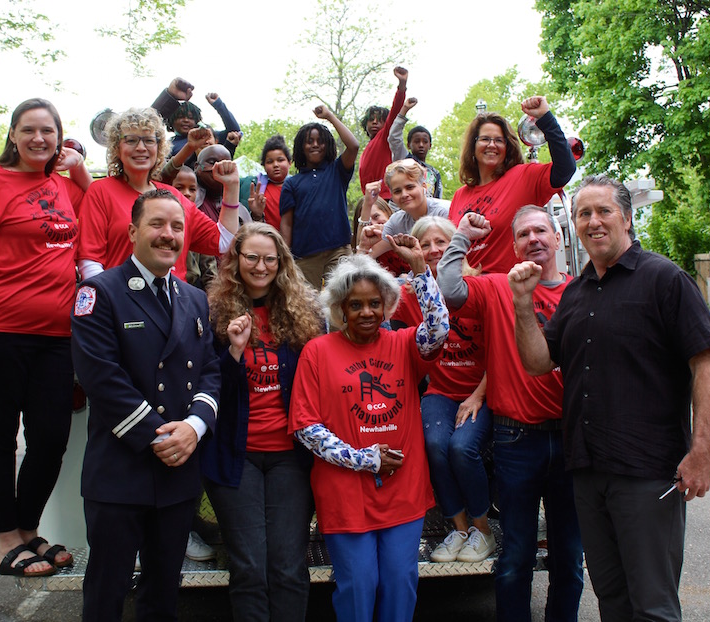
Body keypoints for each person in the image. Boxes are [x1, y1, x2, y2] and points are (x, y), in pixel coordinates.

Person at [511, 175, 710, 622]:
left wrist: (701, 453)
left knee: (652, 606)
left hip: (648, 473)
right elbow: (536, 363)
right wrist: (523, 304)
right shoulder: (576, 292)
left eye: (603, 211)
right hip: (588, 472)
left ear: (626, 217)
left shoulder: (665, 279)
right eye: (583, 214)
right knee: (612, 599)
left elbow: (707, 367)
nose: (593, 221)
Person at [0, 98, 91, 577]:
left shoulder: (62, 185)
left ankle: (29, 529)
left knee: (51, 437)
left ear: (59, 137)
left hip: (56, 335)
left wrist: (81, 172)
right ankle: (5, 539)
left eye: (48, 131)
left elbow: (97, 213)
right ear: (13, 134)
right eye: (29, 130)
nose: (39, 139)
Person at [71, 188, 221, 621]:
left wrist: (194, 426)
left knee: (163, 590)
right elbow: (101, 378)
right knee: (107, 589)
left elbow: (210, 369)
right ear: (133, 230)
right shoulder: (99, 293)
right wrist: (159, 437)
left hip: (178, 467)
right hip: (122, 469)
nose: (168, 235)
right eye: (157, 224)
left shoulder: (194, 298)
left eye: (177, 227)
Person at [437, 206, 584, 621]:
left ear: (557, 239)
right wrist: (461, 236)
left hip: (573, 439)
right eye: (523, 234)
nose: (534, 239)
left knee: (569, 557)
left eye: (542, 230)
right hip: (516, 438)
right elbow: (448, 289)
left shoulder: (581, 292)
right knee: (516, 554)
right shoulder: (499, 286)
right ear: (514, 244)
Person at [289, 245, 450, 622]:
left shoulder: (404, 343)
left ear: (387, 305)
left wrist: (421, 271)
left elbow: (439, 329)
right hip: (345, 494)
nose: (366, 312)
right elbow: (306, 428)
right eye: (356, 304)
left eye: (375, 303)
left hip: (403, 491)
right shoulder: (317, 351)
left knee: (399, 583)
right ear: (341, 309)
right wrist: (366, 459)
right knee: (358, 587)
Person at [203, 223, 324, 621]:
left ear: (281, 262)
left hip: (290, 455)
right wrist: (234, 353)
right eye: (251, 257)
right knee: (250, 568)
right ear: (236, 261)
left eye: (269, 258)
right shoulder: (213, 311)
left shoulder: (303, 312)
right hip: (235, 458)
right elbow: (206, 386)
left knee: (288, 566)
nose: (260, 266)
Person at [388, 216, 495, 563]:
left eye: (442, 243)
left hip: (482, 391)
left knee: (462, 448)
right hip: (441, 392)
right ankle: (459, 529)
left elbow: (503, 350)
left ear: (456, 248)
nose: (434, 250)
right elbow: (371, 299)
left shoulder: (479, 286)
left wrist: (479, 394)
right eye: (426, 244)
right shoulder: (409, 293)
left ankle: (483, 530)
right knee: (434, 444)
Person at [77, 108, 239, 282]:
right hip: (121, 302)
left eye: (148, 140)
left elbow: (224, 242)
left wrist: (232, 187)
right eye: (131, 140)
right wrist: (110, 302)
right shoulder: (101, 191)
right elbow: (90, 262)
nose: (140, 148)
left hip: (172, 304)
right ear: (117, 148)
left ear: (159, 147)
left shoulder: (175, 197)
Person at [449, 96, 575, 273]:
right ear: (473, 146)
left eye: (499, 140)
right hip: (466, 293)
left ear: (508, 147)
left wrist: (546, 118)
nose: (492, 145)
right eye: (485, 139)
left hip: (511, 291)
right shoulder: (460, 195)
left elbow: (565, 170)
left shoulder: (523, 176)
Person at [280, 105, 360, 289]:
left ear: (327, 145)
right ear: (301, 147)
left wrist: (330, 117)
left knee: (343, 297)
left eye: (320, 141)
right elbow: (287, 222)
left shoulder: (337, 171)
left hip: (338, 250)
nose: (315, 145)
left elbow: (353, 146)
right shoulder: (292, 183)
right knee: (307, 305)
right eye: (309, 141)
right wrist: (285, 256)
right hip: (304, 256)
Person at [151, 77, 241, 165]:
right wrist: (170, 95)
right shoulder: (167, 146)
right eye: (180, 117)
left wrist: (218, 104)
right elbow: (147, 126)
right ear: (171, 121)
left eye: (190, 118)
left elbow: (235, 132)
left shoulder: (207, 135)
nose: (186, 120)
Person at [358, 66, 408, 198]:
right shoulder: (367, 149)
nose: (375, 122)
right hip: (370, 199)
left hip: (386, 197)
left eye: (379, 120)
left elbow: (395, 111)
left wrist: (401, 86)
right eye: (371, 120)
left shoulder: (384, 137)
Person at [387, 97, 443, 198]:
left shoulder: (434, 173)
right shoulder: (404, 161)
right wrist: (404, 109)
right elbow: (394, 138)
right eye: (417, 141)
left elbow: (438, 197)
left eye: (425, 142)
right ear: (409, 145)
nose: (421, 145)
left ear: (430, 145)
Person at [240, 134, 293, 229]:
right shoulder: (255, 186)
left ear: (290, 163)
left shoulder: (297, 187)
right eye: (270, 162)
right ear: (264, 166)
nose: (275, 165)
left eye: (280, 160)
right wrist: (256, 214)